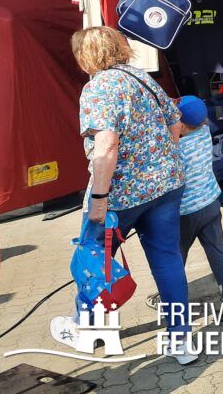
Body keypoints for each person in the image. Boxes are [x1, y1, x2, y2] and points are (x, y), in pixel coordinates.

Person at [52, 27, 196, 364]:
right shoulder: (142, 78)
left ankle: (86, 329)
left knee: (92, 258)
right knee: (168, 261)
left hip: (120, 196)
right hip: (165, 185)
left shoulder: (98, 88)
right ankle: (181, 341)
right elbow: (175, 124)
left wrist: (99, 199)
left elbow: (106, 146)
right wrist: (157, 160)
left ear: (86, 56)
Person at [175, 96, 223, 303]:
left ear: (181, 125)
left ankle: (174, 298)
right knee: (217, 251)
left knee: (175, 259)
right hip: (210, 203)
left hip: (186, 213)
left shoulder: (177, 149)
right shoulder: (205, 132)